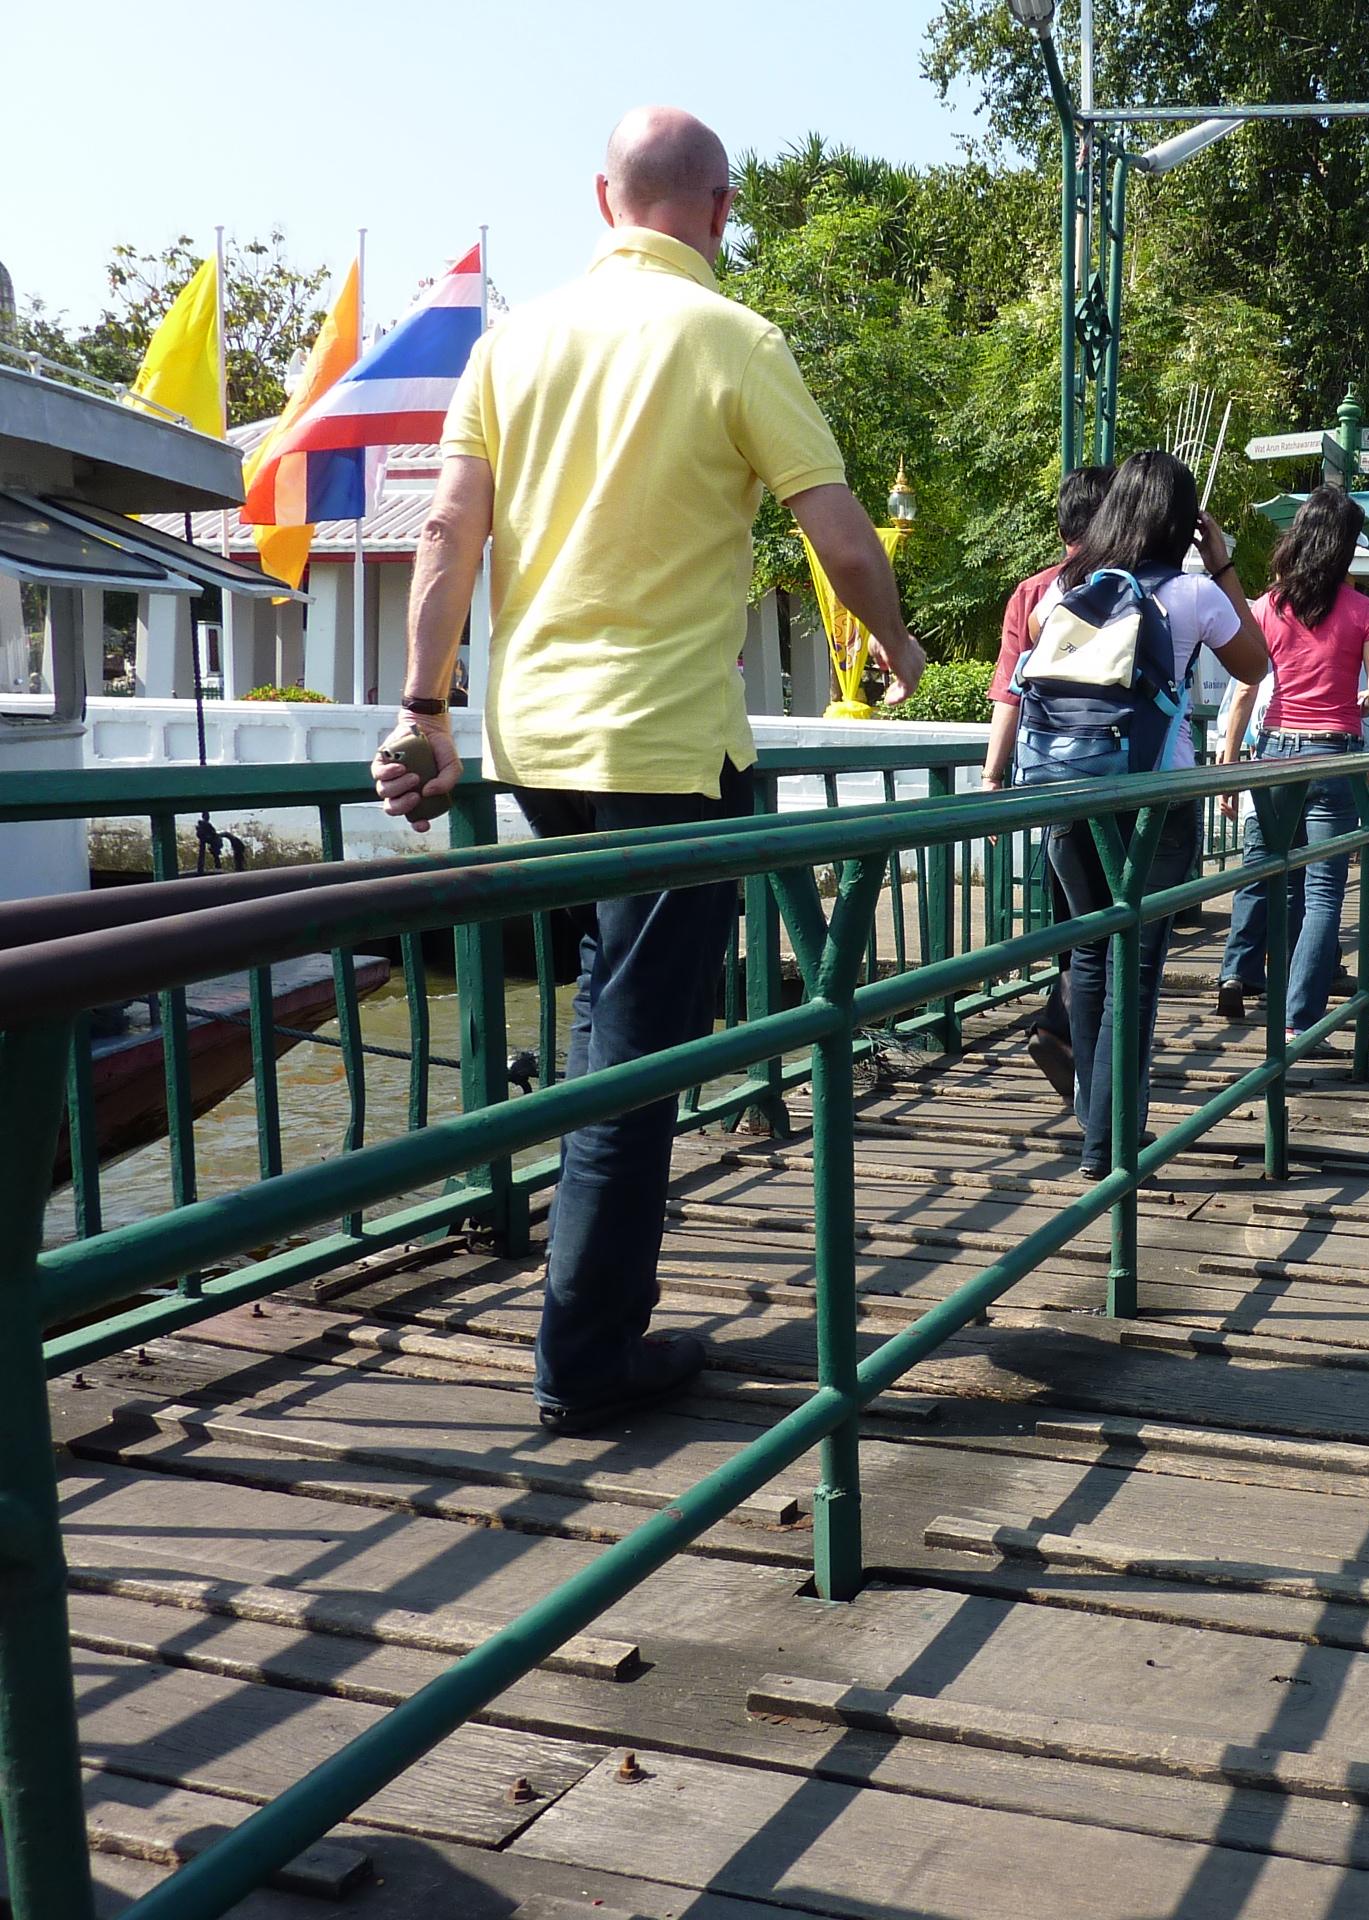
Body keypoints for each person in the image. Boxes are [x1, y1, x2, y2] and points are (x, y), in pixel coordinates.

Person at [372, 106, 925, 1435]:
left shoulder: (511, 344)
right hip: (668, 750)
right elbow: (839, 534)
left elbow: (447, 530)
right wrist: (900, 646)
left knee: (602, 1023)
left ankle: (588, 1314)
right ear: (721, 208)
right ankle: (585, 1360)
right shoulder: (734, 338)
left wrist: (424, 709)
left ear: (602, 199)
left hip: (538, 749)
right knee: (635, 1055)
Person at [1022, 451, 1266, 1179]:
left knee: (1091, 958)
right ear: (1183, 522)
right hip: (1154, 802)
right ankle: (1110, 1145)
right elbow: (1254, 664)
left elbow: (1031, 649)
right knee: (1137, 972)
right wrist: (1223, 564)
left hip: (1069, 792)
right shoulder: (1194, 592)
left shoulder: (1067, 587)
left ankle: (1096, 1128)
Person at [1212, 488, 1369, 1038]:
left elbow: (1246, 690)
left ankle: (1249, 980)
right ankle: (1298, 1021)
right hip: (1334, 757)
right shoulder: (1364, 611)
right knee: (1323, 894)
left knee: (1273, 876)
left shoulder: (1268, 606)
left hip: (1274, 756)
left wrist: (1230, 762)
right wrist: (1361, 701)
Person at [984, 464, 1115, 1101]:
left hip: (1051, 775)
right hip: (1121, 776)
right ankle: (1082, 1051)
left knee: (1073, 914)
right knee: (1115, 929)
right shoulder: (1129, 586)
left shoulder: (1032, 593)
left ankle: (1064, 1030)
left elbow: (1009, 693)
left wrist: (992, 778)